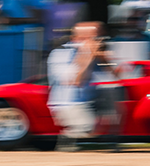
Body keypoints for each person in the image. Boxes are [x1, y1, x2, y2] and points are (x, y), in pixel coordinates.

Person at [46, 21, 115, 149]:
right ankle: (66, 139)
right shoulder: (61, 53)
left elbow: (116, 76)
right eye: (93, 38)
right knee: (88, 129)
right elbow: (75, 81)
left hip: (90, 100)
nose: (97, 42)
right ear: (77, 38)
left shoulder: (92, 53)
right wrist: (86, 55)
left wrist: (106, 60)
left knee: (115, 95)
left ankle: (110, 140)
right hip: (68, 104)